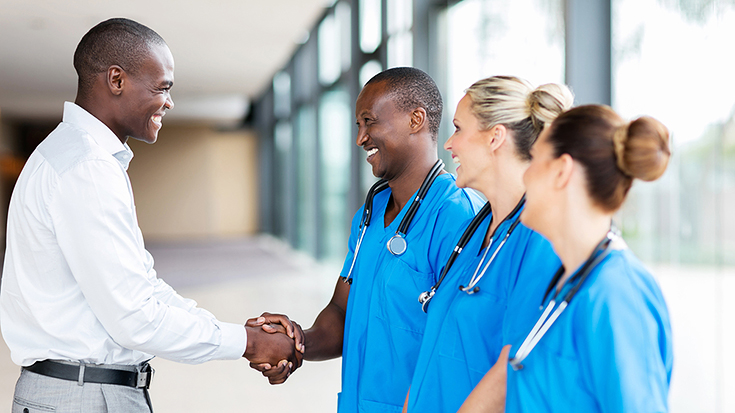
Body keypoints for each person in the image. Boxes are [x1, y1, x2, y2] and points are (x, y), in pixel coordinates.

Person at [0, 18, 301, 413]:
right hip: (82, 397)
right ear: (116, 80)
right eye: (162, 87)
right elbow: (134, 317)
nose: (169, 102)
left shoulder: (74, 157)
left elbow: (143, 284)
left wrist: (236, 332)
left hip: (80, 392)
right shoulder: (86, 168)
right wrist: (248, 342)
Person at [249, 67, 483, 411]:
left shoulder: (459, 216)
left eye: (369, 121)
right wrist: (299, 344)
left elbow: (461, 348)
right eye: (358, 126)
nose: (360, 138)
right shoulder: (371, 214)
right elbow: (343, 311)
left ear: (415, 119)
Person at [401, 76, 573, 413]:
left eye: (459, 129)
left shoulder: (539, 242)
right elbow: (432, 353)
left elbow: (511, 367)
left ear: (495, 137)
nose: (449, 144)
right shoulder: (472, 235)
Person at [500, 104, 673, 412]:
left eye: (534, 159)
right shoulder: (568, 282)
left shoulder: (618, 294)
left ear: (561, 171)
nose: (525, 176)